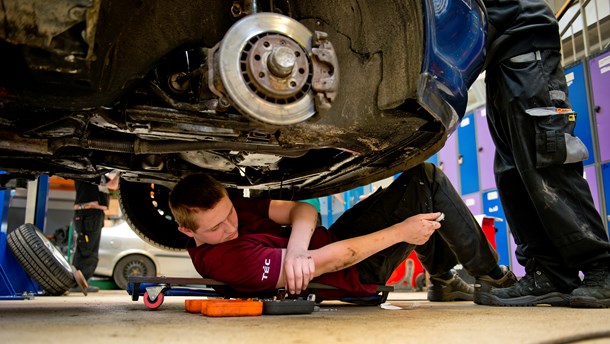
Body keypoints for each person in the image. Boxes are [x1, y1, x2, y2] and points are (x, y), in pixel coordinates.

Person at [168, 163, 516, 302]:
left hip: (334, 237)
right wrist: (400, 232)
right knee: (427, 183)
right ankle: (493, 278)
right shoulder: (227, 260)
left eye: (229, 213)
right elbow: (333, 262)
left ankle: (442, 281)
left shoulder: (231, 210)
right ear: (187, 230)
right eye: (216, 227)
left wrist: (297, 248)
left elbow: (302, 209)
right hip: (355, 267)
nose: (231, 225)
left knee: (420, 179)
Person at [475, 0, 610, 308]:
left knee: (548, 161)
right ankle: (549, 274)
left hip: (526, 50)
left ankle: (601, 266)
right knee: (512, 175)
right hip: (499, 64)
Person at [71, 172, 120, 293]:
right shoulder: (90, 173)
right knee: (87, 250)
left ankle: (81, 282)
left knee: (88, 249)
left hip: (92, 214)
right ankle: (78, 284)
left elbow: (113, 185)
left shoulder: (97, 175)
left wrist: (119, 173)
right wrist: (116, 172)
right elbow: (110, 182)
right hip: (89, 213)